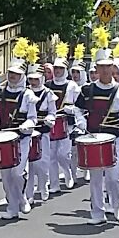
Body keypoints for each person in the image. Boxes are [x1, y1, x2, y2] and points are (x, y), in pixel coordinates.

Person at [78, 54, 119, 224]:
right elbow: (77, 109)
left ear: (112, 68)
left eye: (108, 66)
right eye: (101, 66)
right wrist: (81, 122)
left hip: (114, 137)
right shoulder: (88, 90)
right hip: (94, 137)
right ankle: (97, 212)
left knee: (113, 176)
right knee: (96, 178)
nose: (104, 70)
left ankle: (116, 205)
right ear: (96, 68)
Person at [0, 61, 37, 220]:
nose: (12, 76)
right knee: (6, 177)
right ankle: (11, 206)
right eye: (11, 73)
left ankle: (22, 197)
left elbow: (33, 118)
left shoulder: (28, 95)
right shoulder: (0, 92)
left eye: (16, 74)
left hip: (21, 139)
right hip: (3, 138)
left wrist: (27, 125)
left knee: (18, 173)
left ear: (22, 76)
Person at [45, 58, 82, 192]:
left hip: (67, 123)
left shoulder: (72, 86)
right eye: (56, 69)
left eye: (60, 68)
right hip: (51, 122)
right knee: (51, 155)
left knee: (63, 154)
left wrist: (71, 109)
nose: (58, 71)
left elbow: (80, 106)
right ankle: (54, 184)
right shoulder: (48, 85)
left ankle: (68, 172)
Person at [26, 69, 57, 204]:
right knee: (29, 165)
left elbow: (52, 112)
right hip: (28, 132)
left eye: (36, 79)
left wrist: (50, 119)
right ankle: (29, 194)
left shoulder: (48, 94)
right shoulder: (25, 93)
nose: (33, 82)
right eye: (31, 79)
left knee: (42, 162)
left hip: (43, 132)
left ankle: (43, 184)